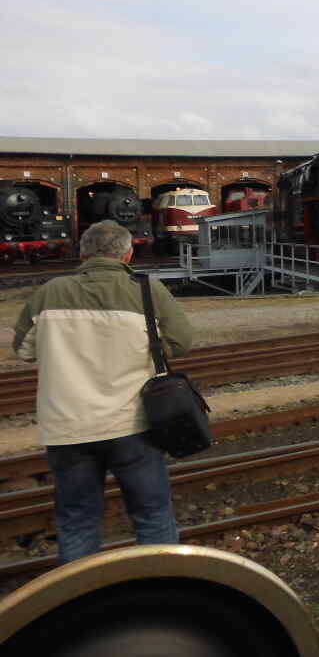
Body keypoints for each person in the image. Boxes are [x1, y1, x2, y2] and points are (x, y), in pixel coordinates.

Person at [13, 220, 193, 563]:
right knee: (152, 514)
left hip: (67, 428)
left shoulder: (49, 292)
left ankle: (81, 593)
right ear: (128, 255)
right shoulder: (146, 290)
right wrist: (145, 349)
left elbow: (23, 350)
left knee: (77, 521)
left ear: (82, 254)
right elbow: (182, 341)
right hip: (132, 424)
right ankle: (160, 584)